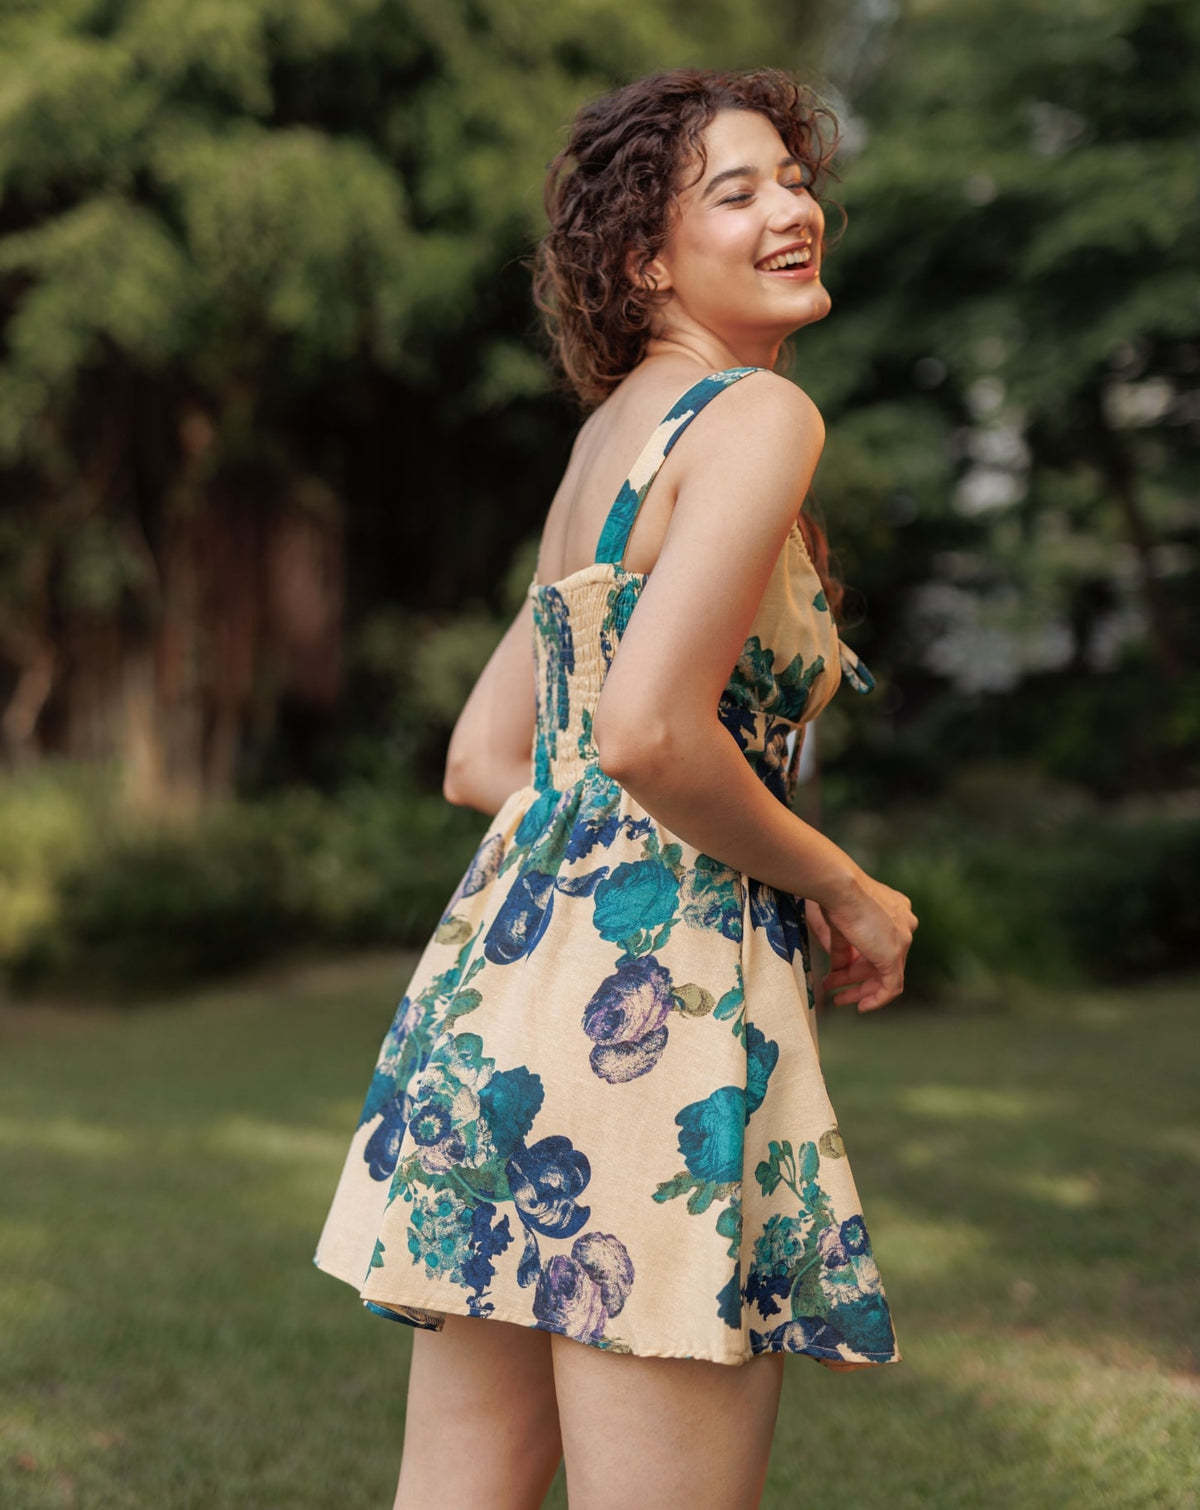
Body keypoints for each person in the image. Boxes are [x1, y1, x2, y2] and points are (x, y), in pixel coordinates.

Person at [314, 67, 917, 1510]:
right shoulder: (758, 417)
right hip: (656, 1019)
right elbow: (650, 734)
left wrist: (639, 856)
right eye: (739, 192)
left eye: (794, 181)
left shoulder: (609, 445)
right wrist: (842, 881)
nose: (793, 210)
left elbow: (486, 758)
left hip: (501, 1005)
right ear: (647, 259)